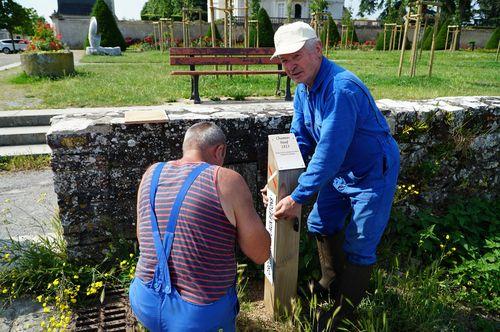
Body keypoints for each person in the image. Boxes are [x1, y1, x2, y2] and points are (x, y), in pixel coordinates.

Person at [263, 22, 400, 328]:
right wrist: (278, 181)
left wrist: (298, 196)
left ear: (318, 50)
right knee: (320, 222)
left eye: (295, 56)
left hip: (371, 171)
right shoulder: (304, 90)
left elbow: (328, 152)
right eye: (284, 60)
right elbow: (300, 138)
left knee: (360, 241)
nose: (290, 66)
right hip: (341, 171)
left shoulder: (341, 89)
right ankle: (331, 283)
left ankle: (343, 314)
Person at [130, 122, 271, 332]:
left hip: (144, 300)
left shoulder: (152, 173)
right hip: (197, 313)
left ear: (186, 146)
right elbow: (260, 254)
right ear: (220, 151)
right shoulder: (226, 180)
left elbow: (143, 238)